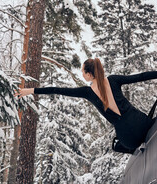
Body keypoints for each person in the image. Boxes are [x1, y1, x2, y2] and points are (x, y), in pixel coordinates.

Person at [14, 58, 157, 153]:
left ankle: (136, 149)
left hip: (128, 138)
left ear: (89, 74)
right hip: (141, 123)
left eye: (83, 71)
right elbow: (141, 76)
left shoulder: (87, 92)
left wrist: (30, 90)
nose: (82, 74)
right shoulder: (114, 80)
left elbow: (57, 90)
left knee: (117, 145)